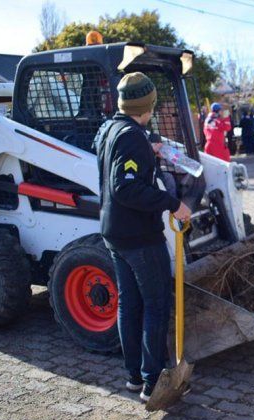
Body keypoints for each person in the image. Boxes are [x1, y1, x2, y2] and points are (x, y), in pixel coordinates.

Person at [93, 72, 192, 402]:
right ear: (147, 105)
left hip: (114, 233)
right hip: (139, 237)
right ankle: (153, 383)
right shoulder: (132, 136)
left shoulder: (111, 129)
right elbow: (127, 187)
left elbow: (114, 165)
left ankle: (134, 376)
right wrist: (172, 203)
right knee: (155, 305)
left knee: (130, 304)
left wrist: (147, 149)